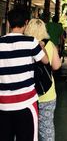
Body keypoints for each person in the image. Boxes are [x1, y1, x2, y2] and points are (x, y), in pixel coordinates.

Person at [0, 7, 49, 141]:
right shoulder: (31, 42)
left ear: (9, 23)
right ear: (26, 23)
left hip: (2, 104)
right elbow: (45, 61)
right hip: (26, 103)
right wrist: (42, 47)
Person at [24, 18, 61, 141]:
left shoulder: (25, 45)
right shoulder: (50, 44)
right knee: (47, 128)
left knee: (26, 128)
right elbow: (56, 66)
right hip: (47, 94)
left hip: (27, 95)